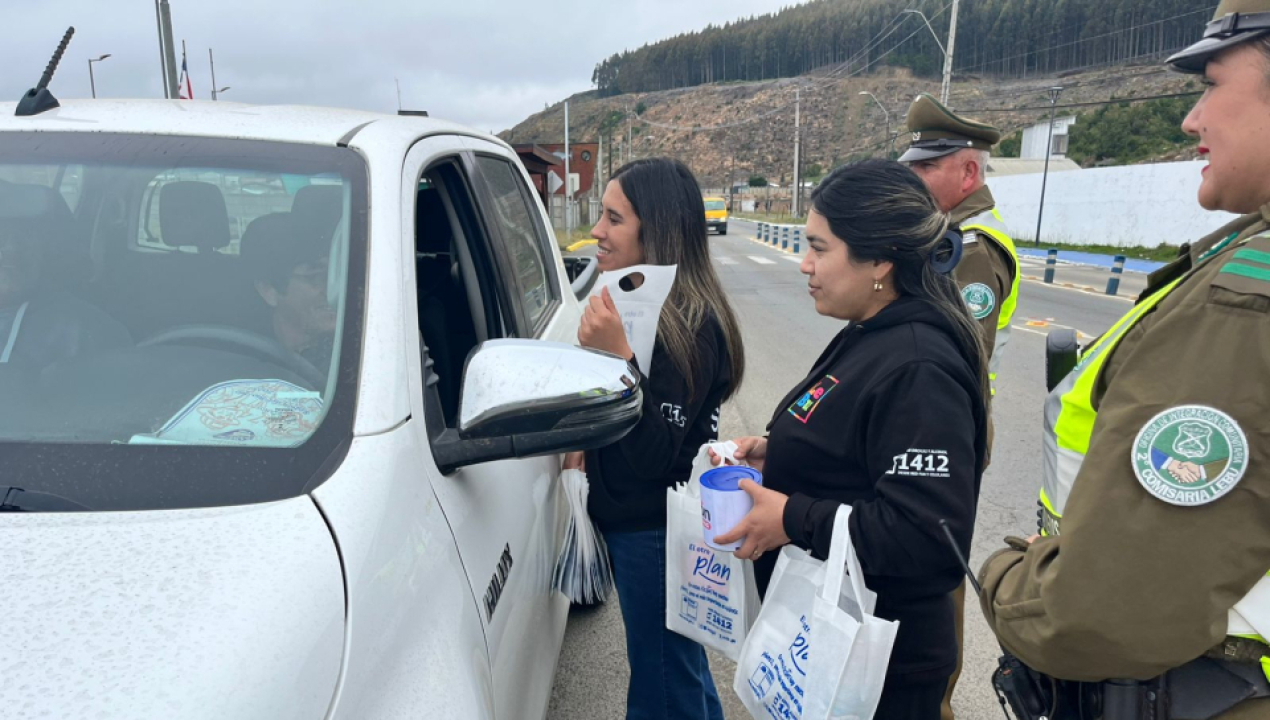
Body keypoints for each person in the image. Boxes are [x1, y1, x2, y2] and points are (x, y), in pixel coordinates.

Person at [979, 3, 1270, 717]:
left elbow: (1097, 612)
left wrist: (1003, 575)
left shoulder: (1243, 301)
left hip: (1202, 689)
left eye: (1211, 84)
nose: (1191, 121)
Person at [712, 159, 989, 719]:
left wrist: (792, 517)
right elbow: (855, 440)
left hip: (879, 670)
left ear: (880, 258)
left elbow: (926, 539)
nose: (804, 265)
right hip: (830, 640)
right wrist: (781, 453)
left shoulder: (917, 366)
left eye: (819, 247)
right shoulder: (870, 331)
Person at [565, 158, 746, 720]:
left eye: (613, 219)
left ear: (657, 230)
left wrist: (618, 357)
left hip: (655, 530)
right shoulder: (641, 304)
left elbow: (654, 456)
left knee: (662, 687)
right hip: (634, 524)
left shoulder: (690, 323)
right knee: (676, 671)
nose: (597, 231)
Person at [898, 93, 1020, 720]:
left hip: (949, 429)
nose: (912, 178)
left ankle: (936, 703)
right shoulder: (943, 236)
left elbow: (956, 352)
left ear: (967, 173)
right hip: (938, 421)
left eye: (925, 169)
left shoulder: (973, 249)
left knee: (937, 568)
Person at [0, 182, 131, 367]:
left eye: (26, 235)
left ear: (46, 250)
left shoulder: (89, 332)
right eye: (1, 235)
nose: (12, 248)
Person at [241, 211, 338, 376]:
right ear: (268, 290)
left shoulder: (363, 355)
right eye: (315, 277)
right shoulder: (240, 360)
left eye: (337, 275)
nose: (334, 291)